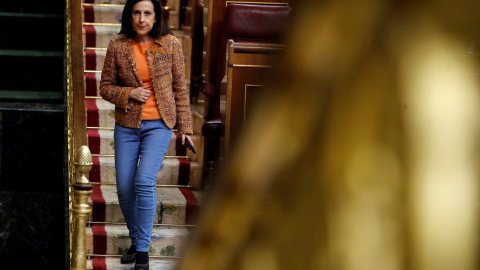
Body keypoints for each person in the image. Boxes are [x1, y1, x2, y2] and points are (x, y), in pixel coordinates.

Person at [99, 0, 194, 269]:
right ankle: (136, 238)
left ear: (156, 17)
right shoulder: (118, 45)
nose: (142, 18)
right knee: (125, 189)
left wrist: (185, 128)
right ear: (130, 16)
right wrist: (128, 93)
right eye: (137, 13)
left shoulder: (170, 44)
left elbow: (180, 89)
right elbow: (105, 87)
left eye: (147, 13)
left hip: (159, 124)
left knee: (143, 180)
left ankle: (142, 254)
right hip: (126, 126)